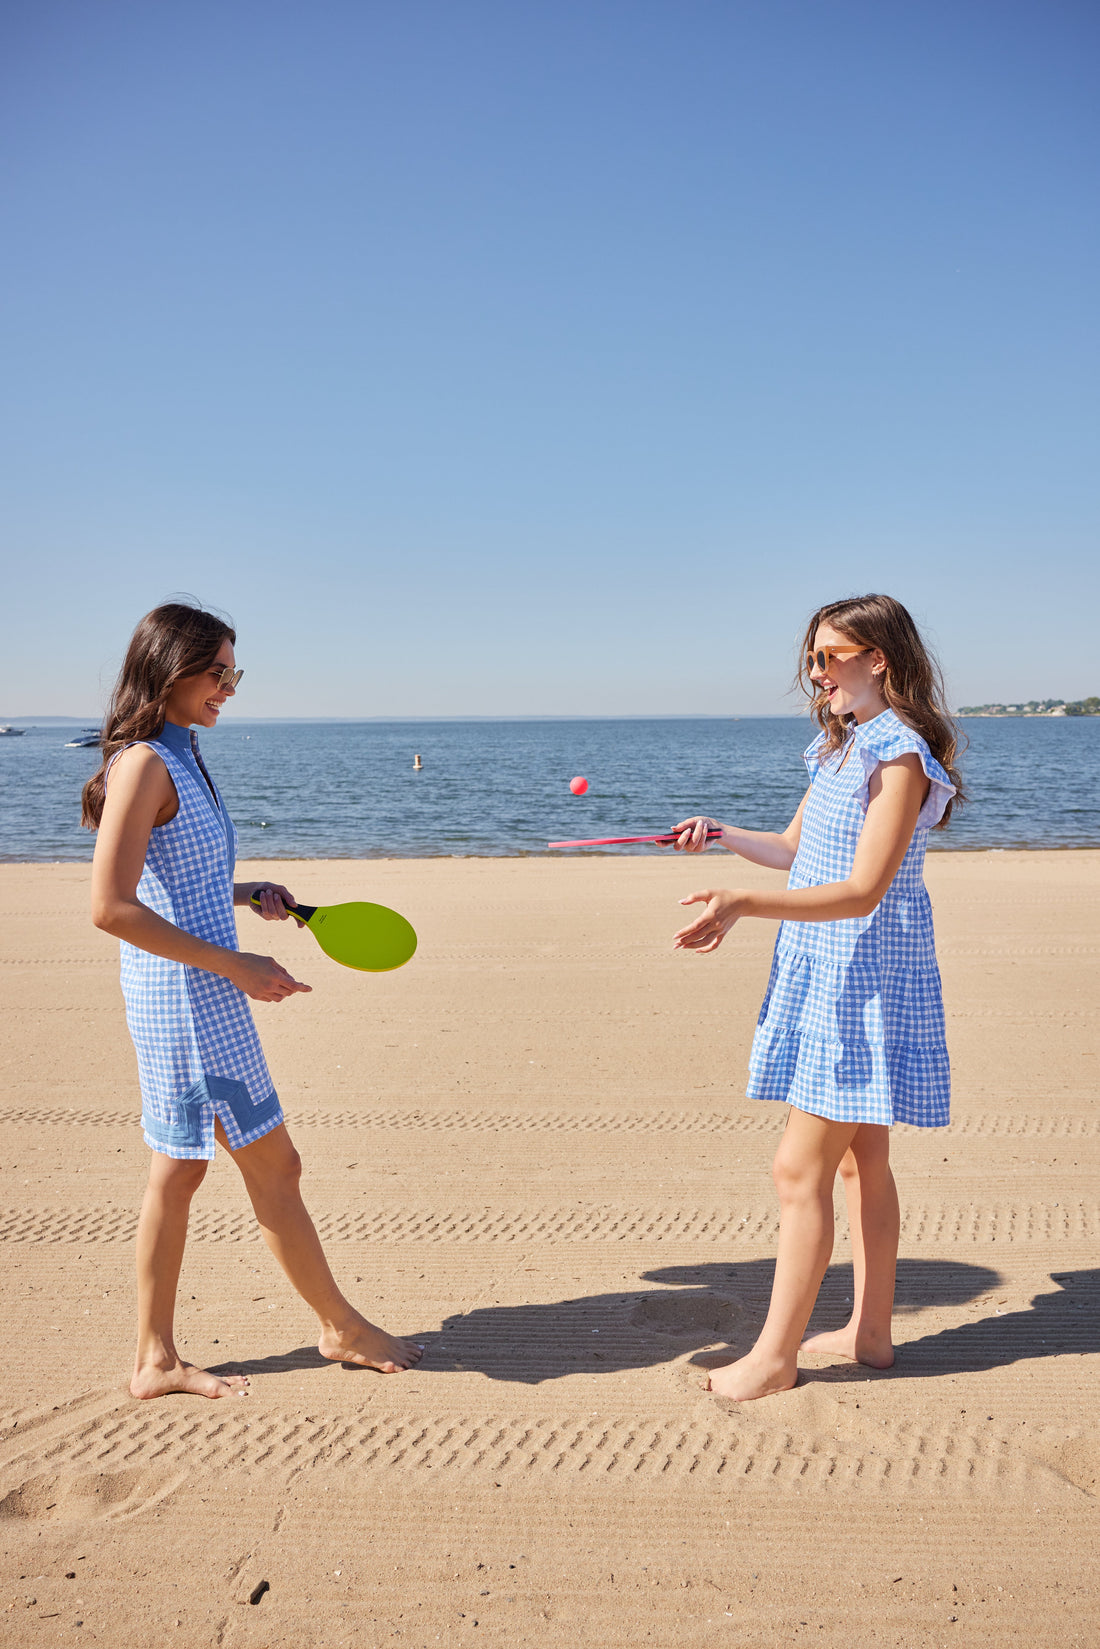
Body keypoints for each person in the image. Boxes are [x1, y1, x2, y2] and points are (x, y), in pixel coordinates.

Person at [84, 602, 422, 1399]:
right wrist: (235, 963)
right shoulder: (145, 763)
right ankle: (206, 1349)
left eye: (235, 672)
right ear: (170, 669)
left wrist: (243, 893)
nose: (229, 687)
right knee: (218, 1165)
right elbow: (110, 905)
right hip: (188, 996)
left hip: (206, 987)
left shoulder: (182, 752)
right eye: (217, 671)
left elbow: (172, 879)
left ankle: (180, 1351)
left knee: (223, 1166)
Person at [672, 594, 962, 1401]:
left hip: (861, 982)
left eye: (832, 655)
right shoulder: (841, 747)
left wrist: (741, 903)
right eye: (813, 658)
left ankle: (773, 1356)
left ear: (881, 659)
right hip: (832, 968)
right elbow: (798, 849)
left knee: (797, 1170)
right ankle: (870, 1332)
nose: (818, 671)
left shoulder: (897, 756)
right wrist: (725, 833)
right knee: (861, 1162)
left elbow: (864, 888)